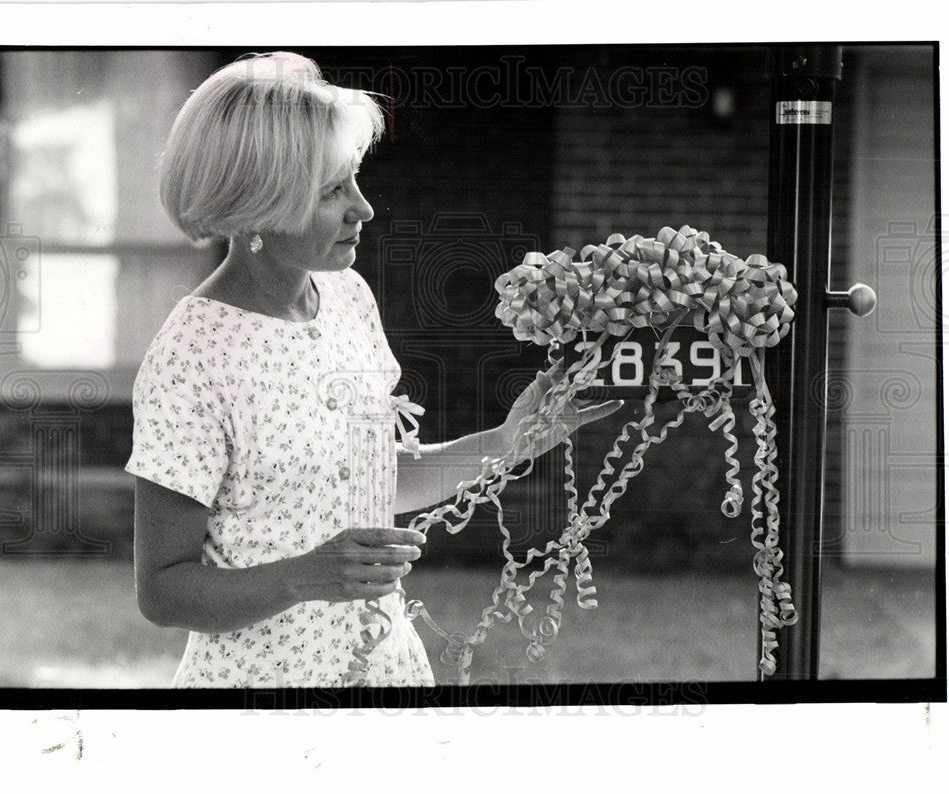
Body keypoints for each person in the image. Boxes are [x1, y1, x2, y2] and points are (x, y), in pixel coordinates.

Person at [126, 51, 621, 688]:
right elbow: (162, 591)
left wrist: (503, 443)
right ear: (257, 204)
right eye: (333, 189)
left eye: (354, 179)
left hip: (387, 672)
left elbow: (368, 479)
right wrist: (304, 575)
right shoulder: (191, 356)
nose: (364, 208)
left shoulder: (347, 298)